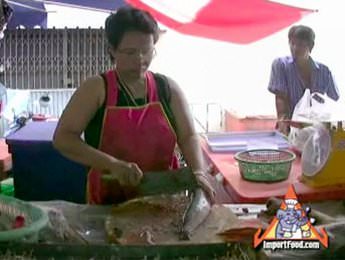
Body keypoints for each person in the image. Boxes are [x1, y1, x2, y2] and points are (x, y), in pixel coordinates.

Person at [53, 6, 215, 205]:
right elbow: (63, 138)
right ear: (112, 50)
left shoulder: (167, 88)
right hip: (109, 200)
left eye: (146, 51)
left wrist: (198, 171)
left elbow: (188, 135)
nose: (140, 59)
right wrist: (112, 165)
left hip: (164, 198)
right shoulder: (96, 88)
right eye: (130, 52)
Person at [268, 25, 339, 135]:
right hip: (290, 130)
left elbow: (334, 100)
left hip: (318, 132)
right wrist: (283, 123)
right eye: (292, 43)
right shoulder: (281, 65)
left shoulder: (324, 71)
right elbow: (280, 99)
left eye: (300, 45)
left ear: (311, 46)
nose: (295, 48)